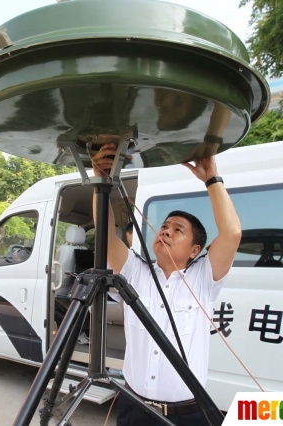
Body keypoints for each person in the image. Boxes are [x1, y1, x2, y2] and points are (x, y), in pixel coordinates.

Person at [91, 143, 241, 426]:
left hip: (188, 415)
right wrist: (101, 180)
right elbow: (106, 234)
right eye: (164, 227)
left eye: (178, 230)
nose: (166, 231)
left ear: (195, 250)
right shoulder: (134, 271)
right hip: (134, 408)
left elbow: (232, 233)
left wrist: (211, 178)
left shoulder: (204, 277)